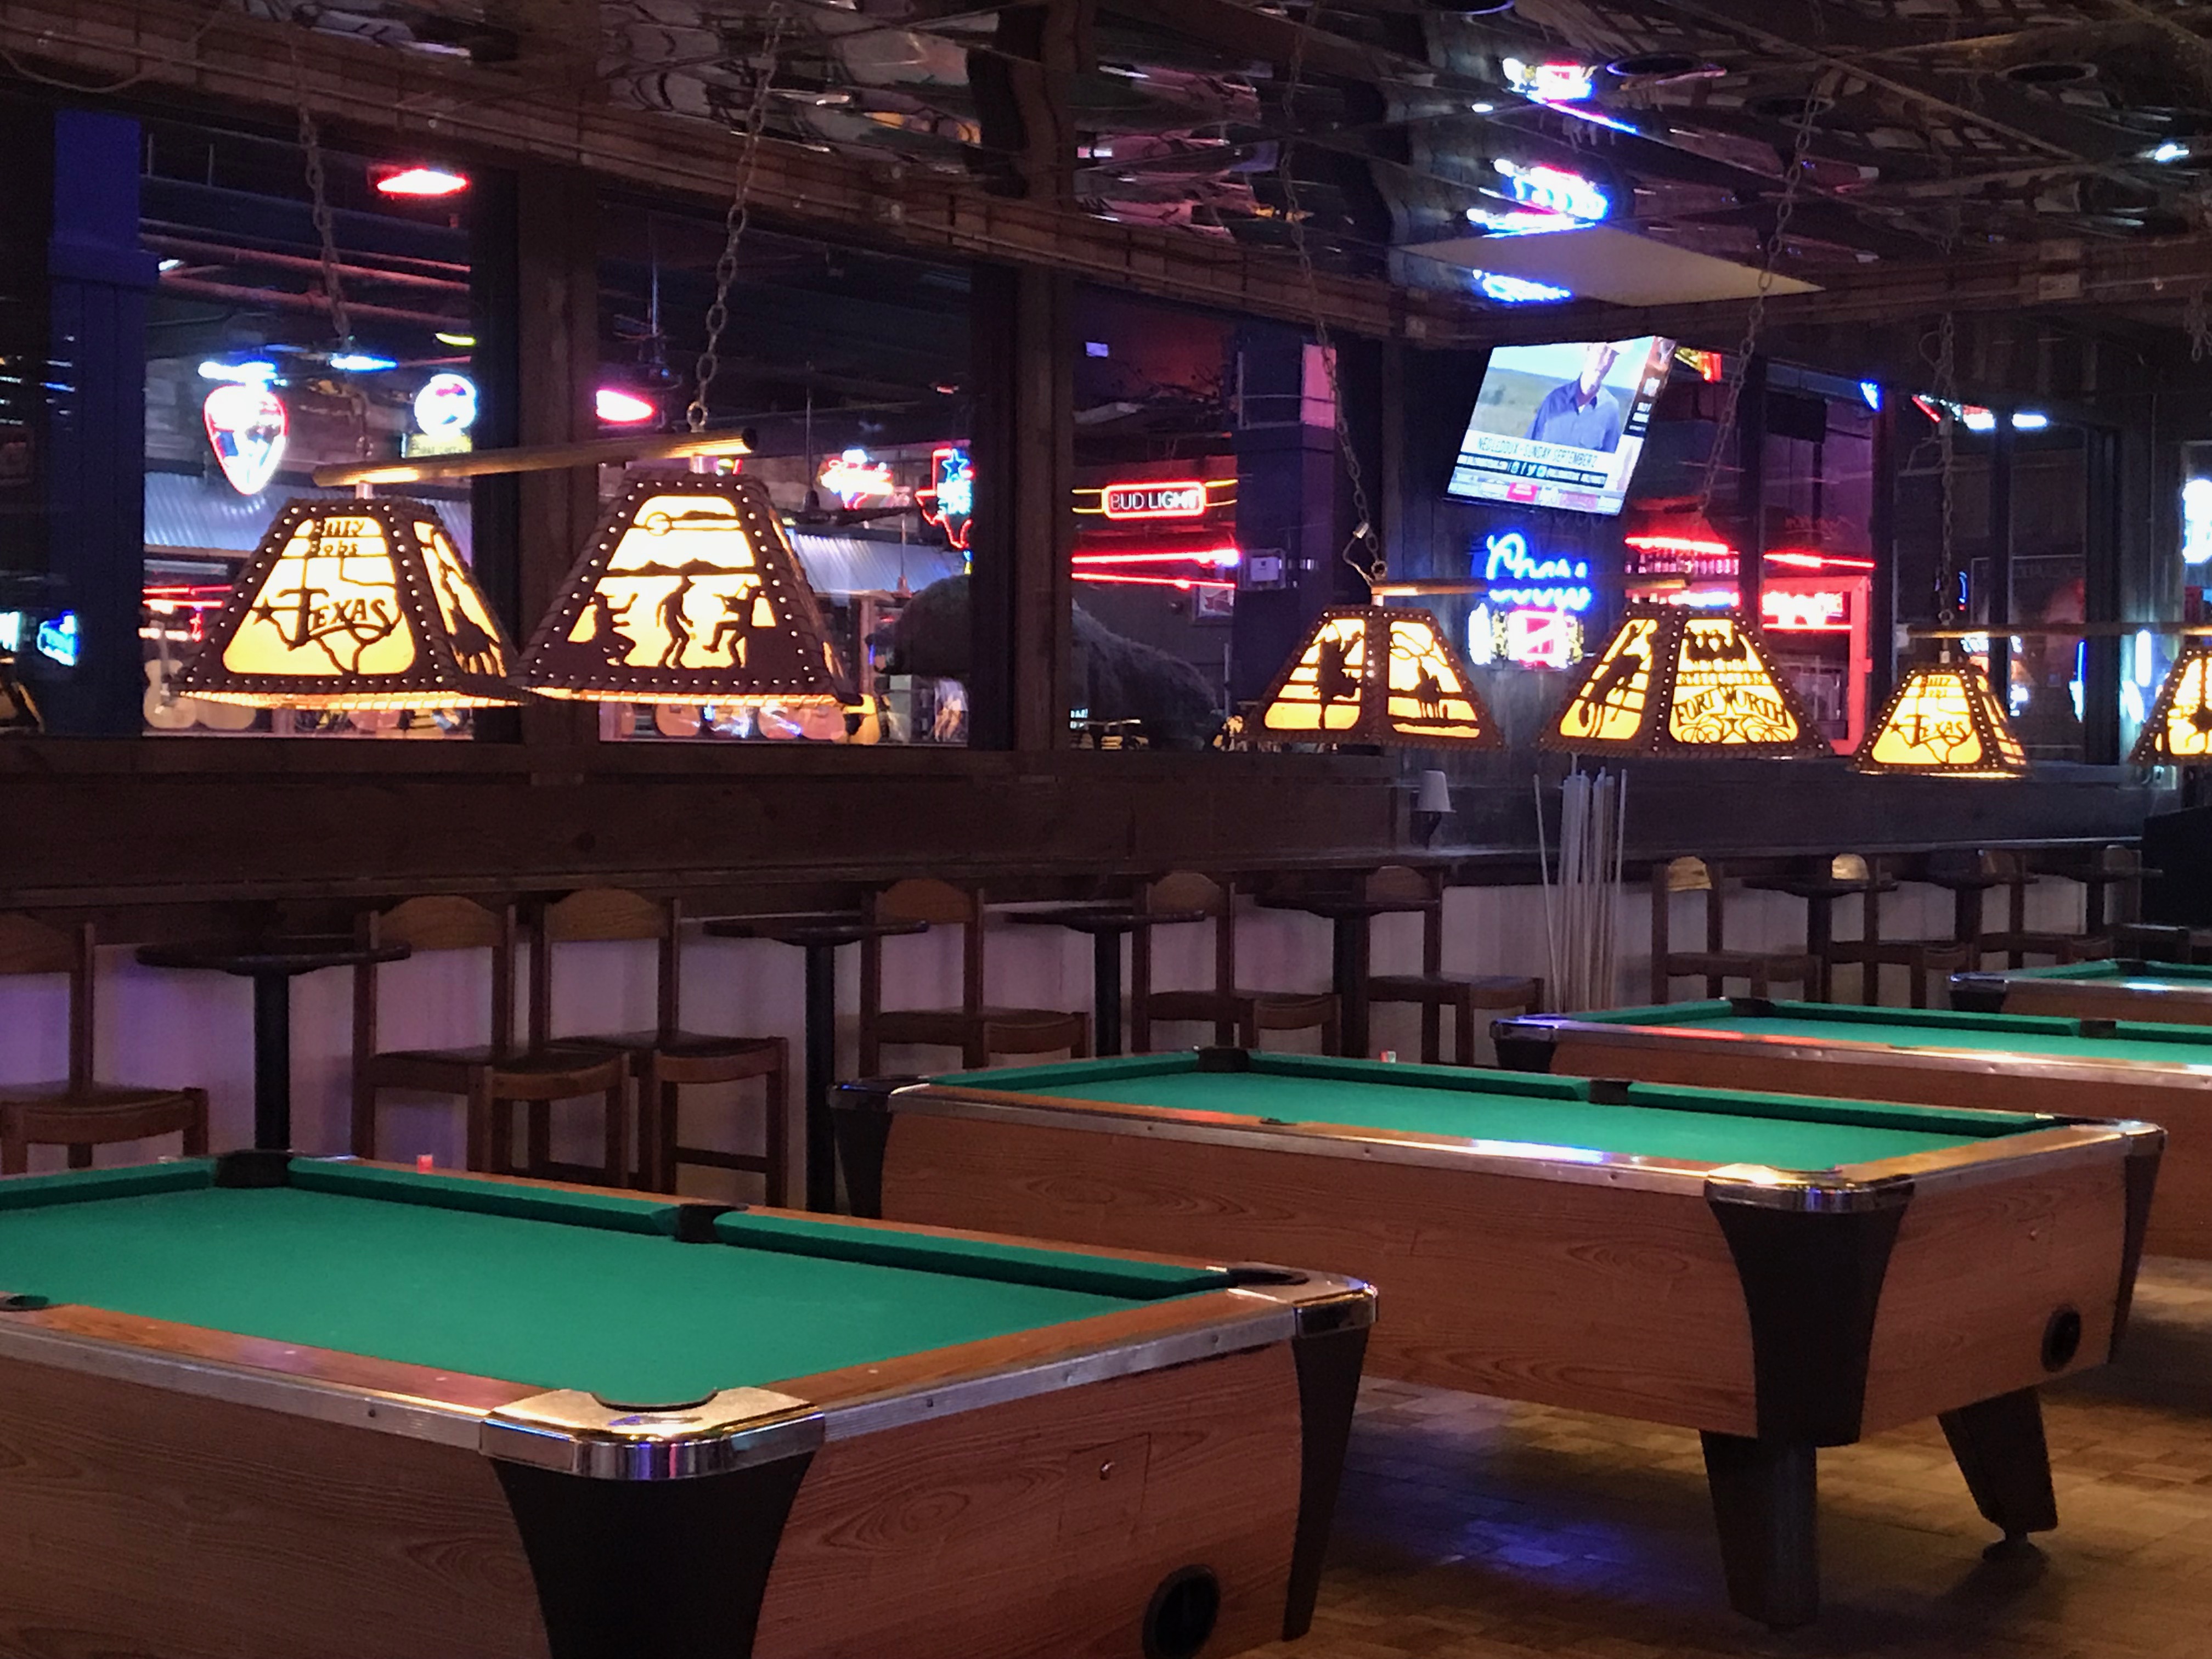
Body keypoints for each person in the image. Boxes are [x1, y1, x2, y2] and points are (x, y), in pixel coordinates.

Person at [1525, 341, 1627, 452]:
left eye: (1612, 356)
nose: (1606, 362)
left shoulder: (1610, 408)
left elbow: (1610, 458)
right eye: (1602, 351)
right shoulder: (1555, 399)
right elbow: (1528, 446)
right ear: (1589, 349)